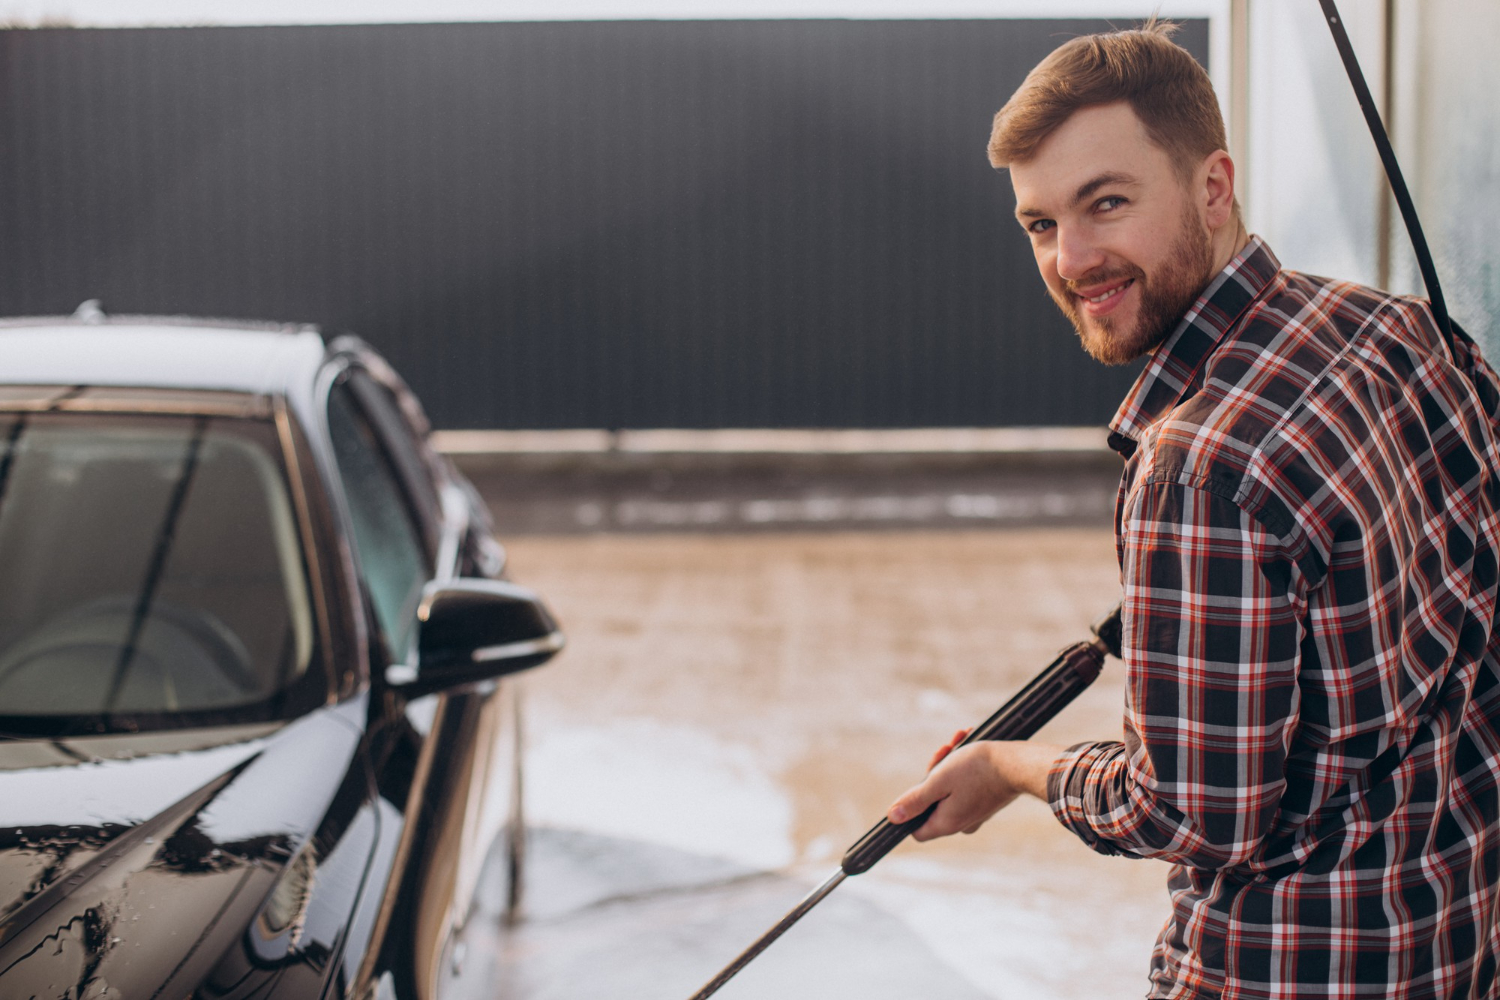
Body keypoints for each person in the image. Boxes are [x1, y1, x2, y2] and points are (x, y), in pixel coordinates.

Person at [886, 21, 1500, 1000]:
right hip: (1452, 940)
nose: (1072, 258)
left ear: (1213, 186)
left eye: (1107, 204)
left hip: (1287, 970)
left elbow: (1192, 811)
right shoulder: (1393, 329)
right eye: (1041, 224)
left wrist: (1009, 767)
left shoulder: (1200, 468)